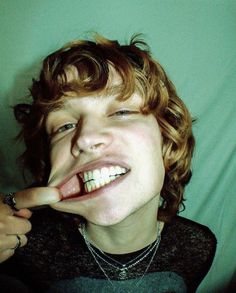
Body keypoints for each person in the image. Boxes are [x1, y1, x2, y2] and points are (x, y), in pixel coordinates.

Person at [0, 34, 216, 293]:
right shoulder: (19, 250)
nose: (86, 138)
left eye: (121, 112)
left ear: (166, 141)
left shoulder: (197, 247)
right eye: (64, 126)